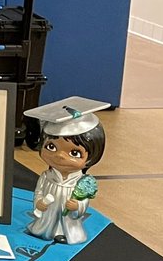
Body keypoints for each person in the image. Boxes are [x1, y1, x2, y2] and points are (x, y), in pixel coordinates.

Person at [23, 97, 108, 245]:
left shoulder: (81, 183)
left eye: (74, 153)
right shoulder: (46, 176)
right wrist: (39, 203)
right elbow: (39, 192)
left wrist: (77, 207)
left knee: (67, 223)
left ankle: (63, 233)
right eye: (51, 147)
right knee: (45, 223)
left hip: (69, 220)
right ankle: (46, 230)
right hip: (47, 216)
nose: (60, 156)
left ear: (91, 156)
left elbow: (84, 201)